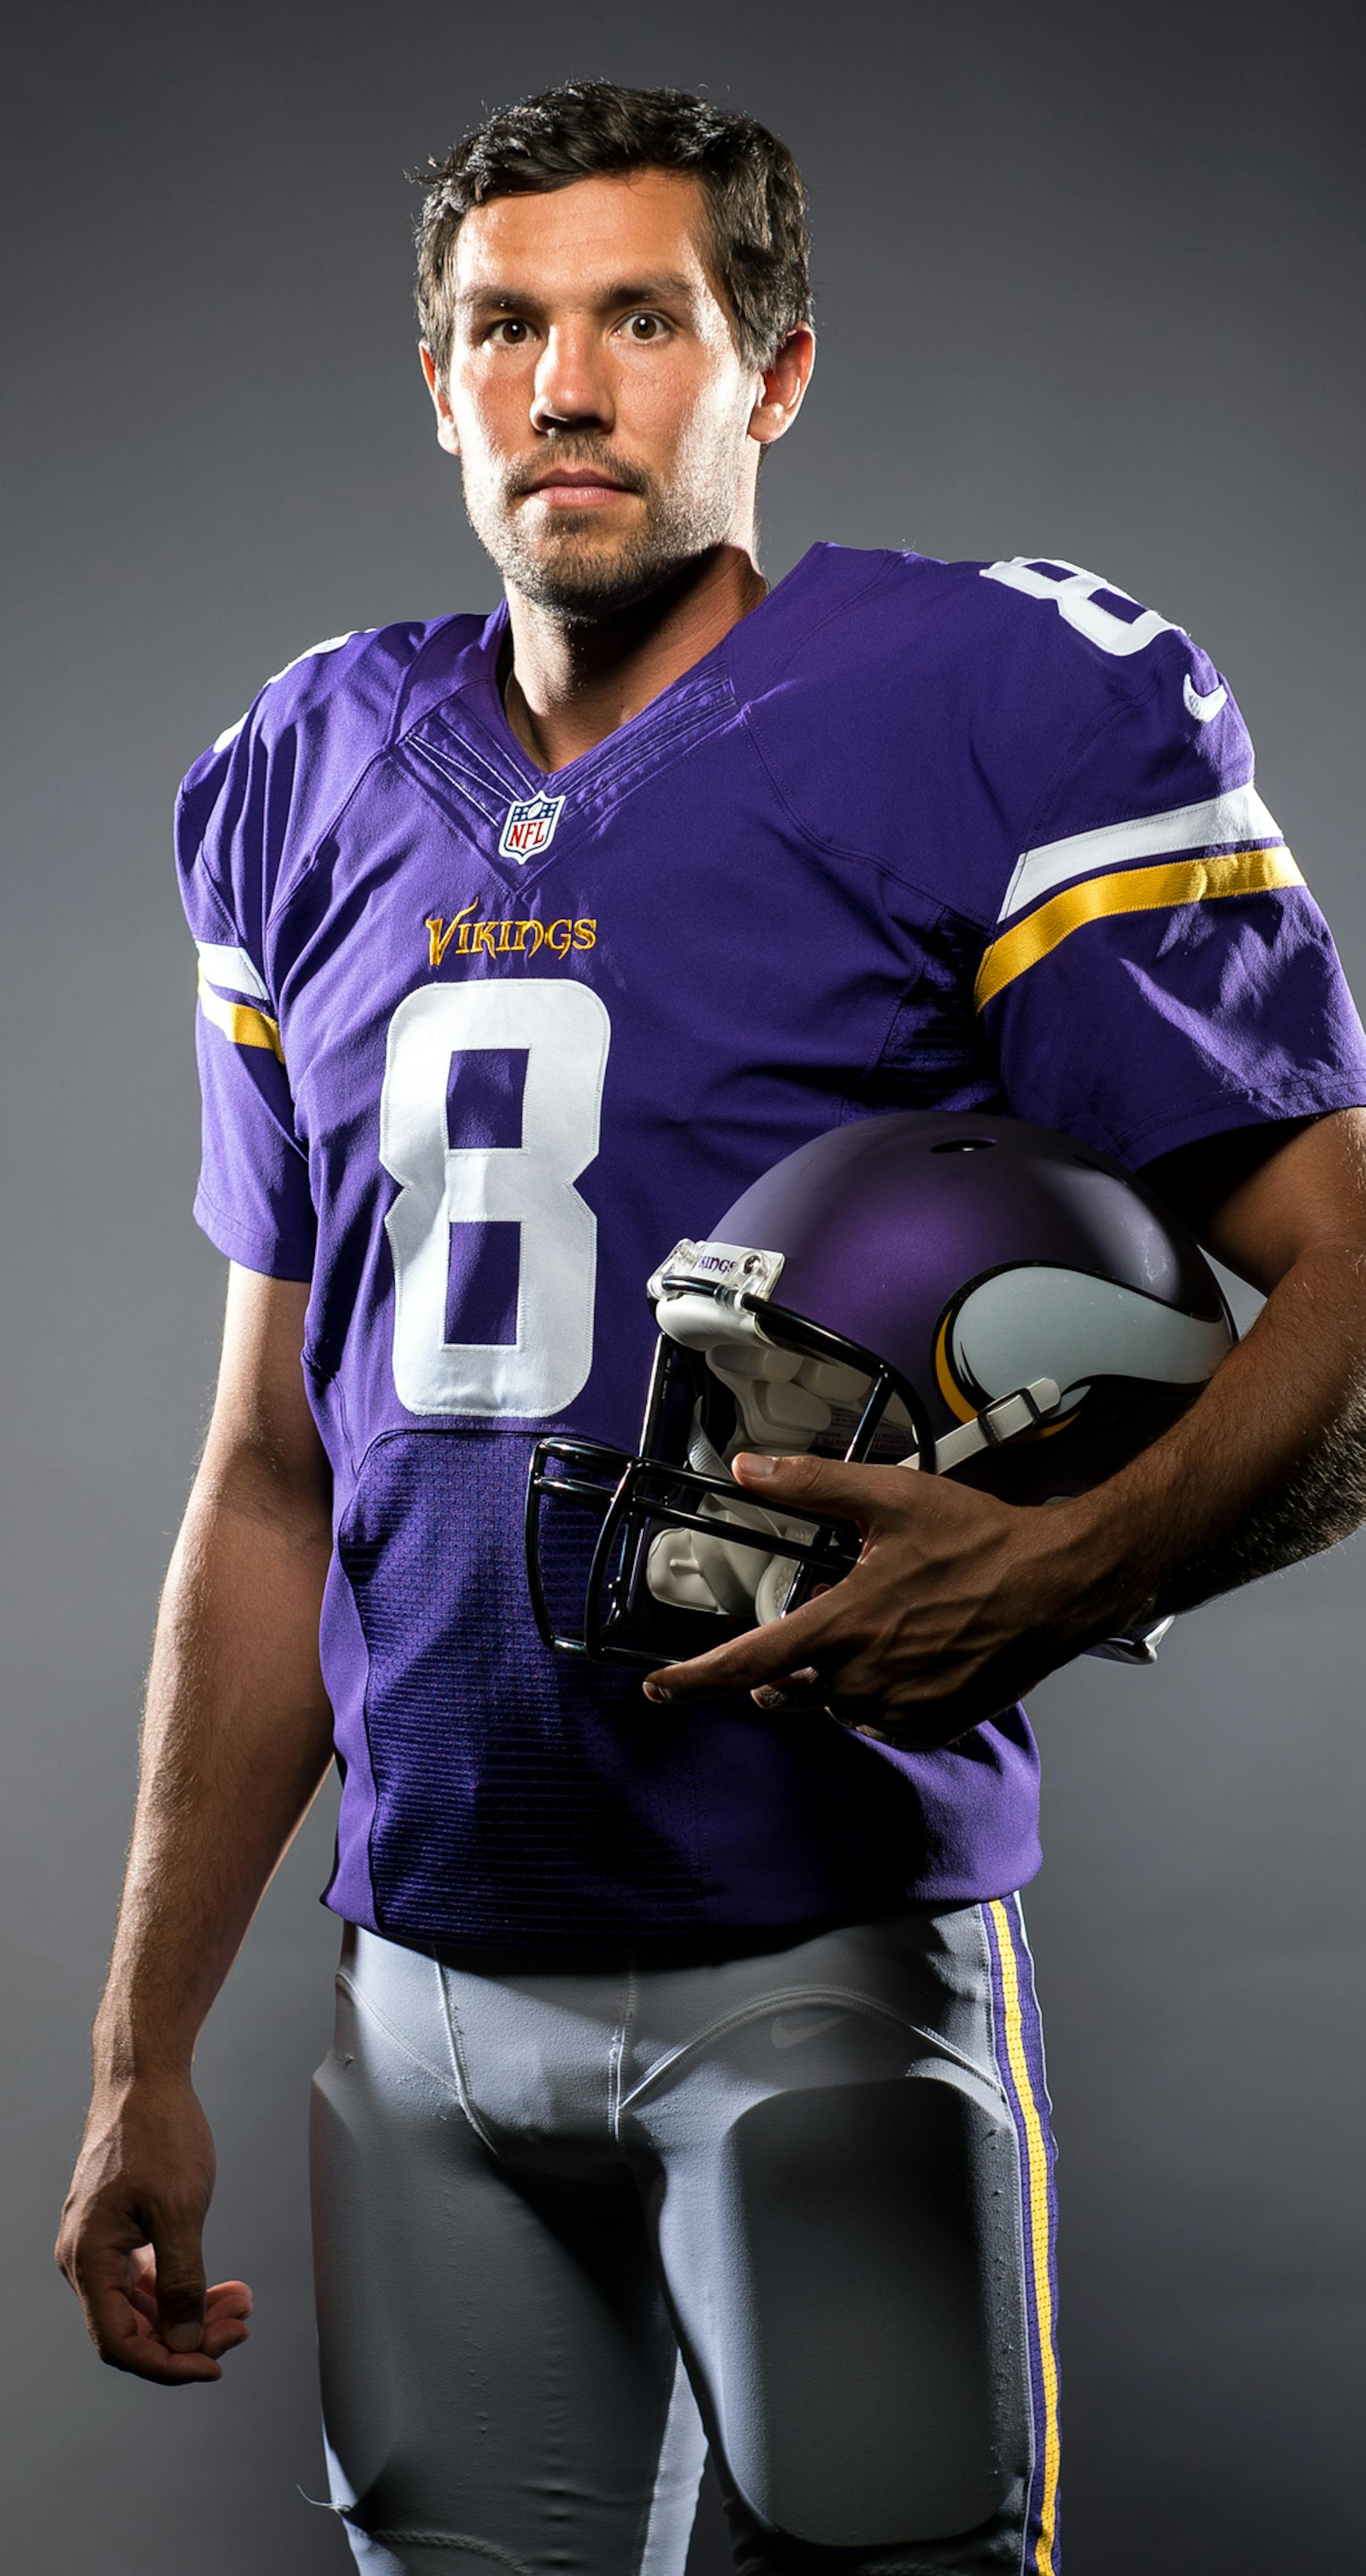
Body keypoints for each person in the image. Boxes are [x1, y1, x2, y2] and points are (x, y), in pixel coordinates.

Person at [55, 79, 1366, 2576]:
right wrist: (139, 2051)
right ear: (435, 381)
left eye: (642, 318)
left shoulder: (996, 708)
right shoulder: (306, 776)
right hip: (414, 1992)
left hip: (820, 1970)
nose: (568, 387)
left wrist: (1065, 1575)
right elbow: (273, 1474)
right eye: (506, 328)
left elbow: (1357, 1285)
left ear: (768, 370)